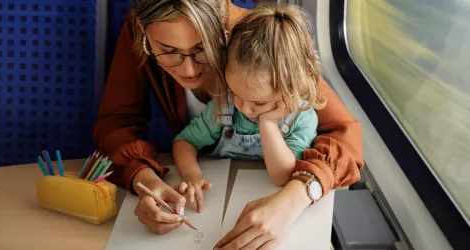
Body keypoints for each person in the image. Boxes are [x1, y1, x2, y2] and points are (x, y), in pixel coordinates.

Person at [92, 0, 363, 248]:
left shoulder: (261, 42)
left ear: (222, 23)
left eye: (202, 49)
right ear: (143, 31)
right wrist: (144, 180)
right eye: (168, 51)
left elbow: (345, 133)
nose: (189, 71)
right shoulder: (139, 29)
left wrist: (293, 199)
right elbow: (116, 124)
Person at [172, 2, 325, 214]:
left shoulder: (300, 118)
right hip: (217, 199)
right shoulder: (224, 105)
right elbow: (184, 142)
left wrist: (268, 123)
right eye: (235, 92)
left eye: (259, 103)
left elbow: (282, 176)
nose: (242, 107)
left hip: (266, 200)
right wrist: (191, 175)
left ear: (291, 90)